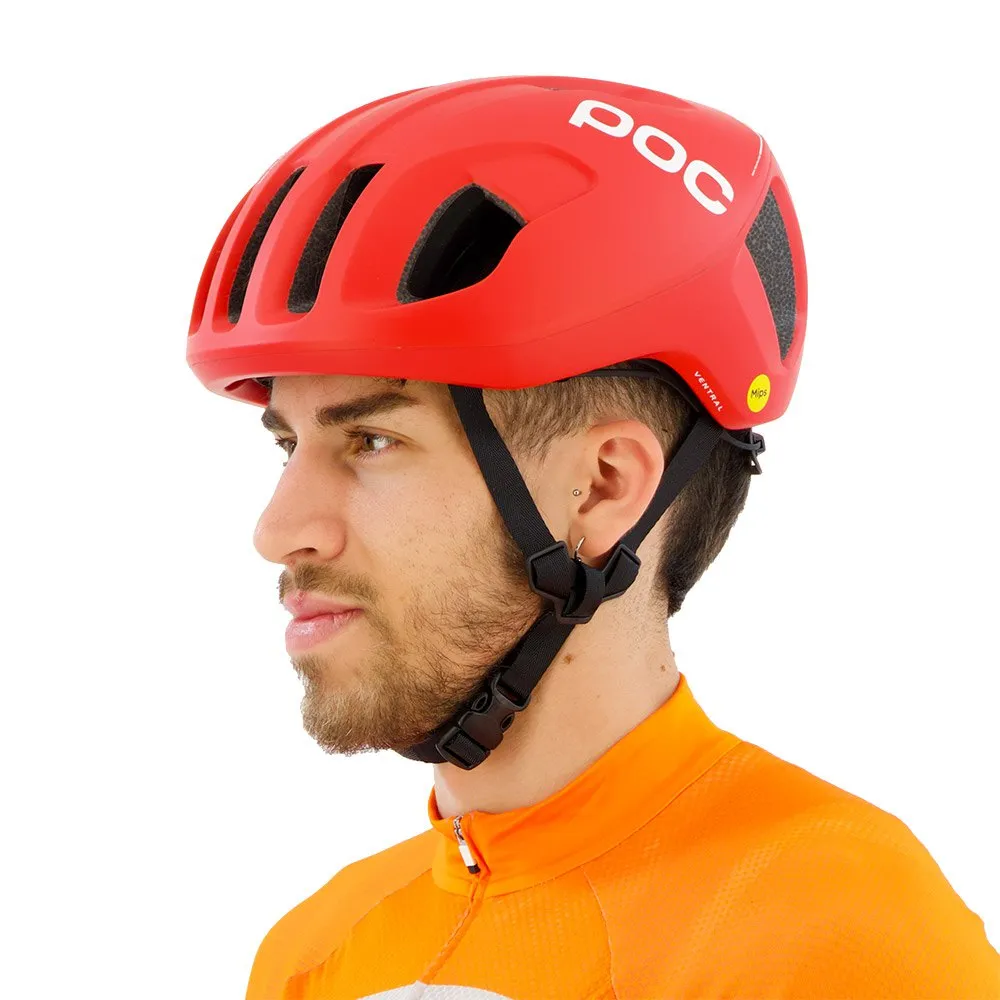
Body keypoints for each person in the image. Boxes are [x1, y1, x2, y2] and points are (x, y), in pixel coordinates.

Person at [186, 75, 999, 999]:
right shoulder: (311, 954)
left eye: (372, 441)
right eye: (288, 445)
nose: (278, 531)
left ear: (604, 487)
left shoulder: (842, 937)